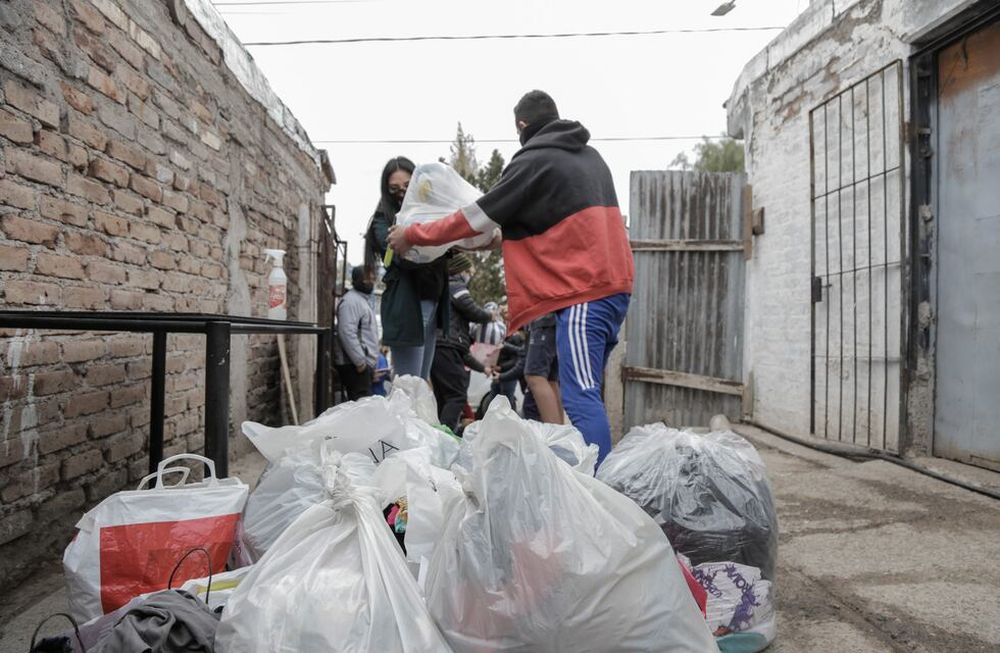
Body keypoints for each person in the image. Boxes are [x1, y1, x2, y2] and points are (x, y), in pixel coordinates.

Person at [388, 90, 633, 465]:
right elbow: (550, 230)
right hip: (609, 286)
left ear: (521, 125)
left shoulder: (534, 161)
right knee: (585, 392)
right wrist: (492, 242)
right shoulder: (587, 157)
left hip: (585, 291)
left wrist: (413, 235)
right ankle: (593, 485)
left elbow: (473, 217)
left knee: (580, 396)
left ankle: (600, 494)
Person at [365, 156, 449, 380]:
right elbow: (403, 256)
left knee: (420, 382)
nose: (401, 192)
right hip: (407, 307)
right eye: (394, 188)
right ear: (386, 189)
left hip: (432, 302)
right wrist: (434, 243)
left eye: (407, 185)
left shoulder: (429, 211)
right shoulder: (383, 219)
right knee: (409, 386)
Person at [430, 253, 494, 431]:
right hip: (446, 347)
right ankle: (444, 439)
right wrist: (490, 315)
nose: (470, 275)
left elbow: (464, 353)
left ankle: (440, 438)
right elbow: (472, 309)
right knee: (456, 395)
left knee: (444, 398)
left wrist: (484, 369)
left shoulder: (446, 288)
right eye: (469, 271)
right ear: (461, 270)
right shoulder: (455, 285)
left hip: (441, 348)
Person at [333, 266, 379, 400]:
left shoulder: (361, 300)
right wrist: (360, 362)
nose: (370, 282)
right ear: (357, 280)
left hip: (362, 364)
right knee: (361, 408)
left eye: (372, 279)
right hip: (354, 365)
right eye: (366, 279)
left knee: (362, 407)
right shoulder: (351, 301)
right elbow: (346, 332)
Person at [523, 313, 563, 424]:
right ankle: (561, 433)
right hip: (551, 318)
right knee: (550, 380)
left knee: (535, 376)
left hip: (544, 317)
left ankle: (556, 435)